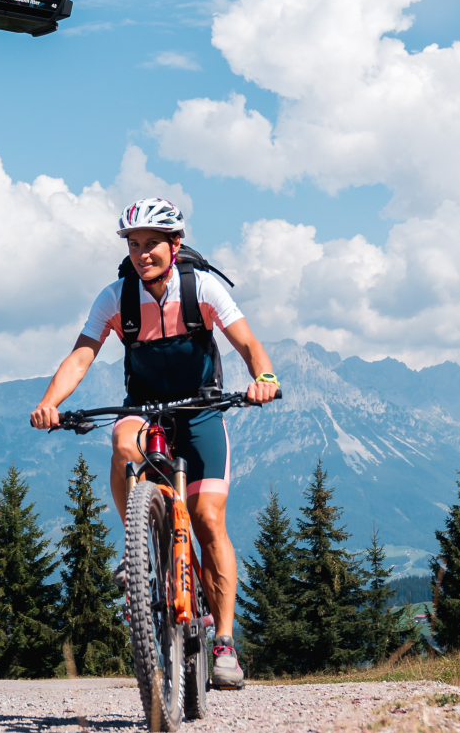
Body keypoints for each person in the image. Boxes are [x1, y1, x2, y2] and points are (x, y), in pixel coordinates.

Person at [29, 198, 278, 689]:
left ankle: (224, 645)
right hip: (145, 410)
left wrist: (263, 377)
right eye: (134, 245)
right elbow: (82, 355)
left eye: (152, 245)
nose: (143, 254)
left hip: (202, 409)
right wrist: (49, 402)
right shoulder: (116, 296)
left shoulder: (201, 287)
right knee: (123, 442)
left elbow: (248, 343)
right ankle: (137, 551)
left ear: (175, 245)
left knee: (207, 521)